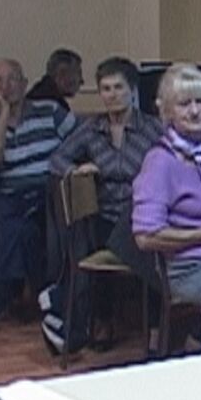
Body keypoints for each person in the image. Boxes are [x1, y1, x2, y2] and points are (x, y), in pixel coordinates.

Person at [39, 56, 163, 353]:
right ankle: (101, 320)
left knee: (151, 247)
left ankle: (156, 326)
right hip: (105, 215)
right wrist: (77, 170)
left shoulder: (153, 128)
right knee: (99, 237)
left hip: (143, 213)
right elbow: (57, 159)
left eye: (118, 87)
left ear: (132, 90)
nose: (111, 95)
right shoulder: (91, 128)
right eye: (105, 89)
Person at [132, 64, 201, 351]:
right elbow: (145, 236)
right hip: (188, 267)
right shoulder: (160, 161)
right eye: (184, 104)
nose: (194, 111)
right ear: (167, 111)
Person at [0, 58, 76, 326]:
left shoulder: (50, 111)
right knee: (16, 226)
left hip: (49, 191)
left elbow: (84, 137)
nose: (6, 86)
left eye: (13, 79)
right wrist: (3, 115)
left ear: (24, 84)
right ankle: (27, 295)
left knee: (19, 224)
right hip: (12, 195)